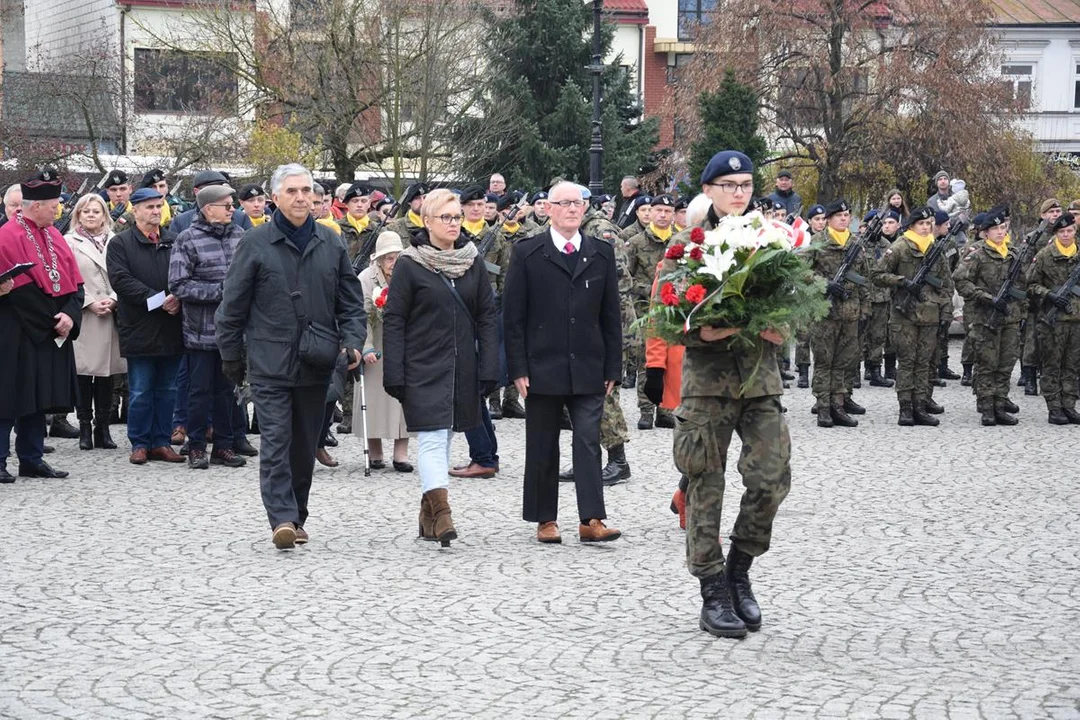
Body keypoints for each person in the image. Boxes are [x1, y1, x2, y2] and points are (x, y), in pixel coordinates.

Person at [658, 150, 791, 639]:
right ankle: (712, 588)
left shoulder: (771, 241)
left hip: (760, 381)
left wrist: (783, 328)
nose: (740, 192)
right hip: (708, 388)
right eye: (729, 184)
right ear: (708, 190)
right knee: (704, 485)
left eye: (747, 184)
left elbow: (797, 301)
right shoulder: (685, 245)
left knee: (772, 477)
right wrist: (702, 334)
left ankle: (740, 569)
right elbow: (666, 316)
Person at [216, 164, 366, 550]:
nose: (301, 198)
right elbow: (232, 303)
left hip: (316, 361)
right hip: (270, 361)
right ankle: (281, 517)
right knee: (277, 439)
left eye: (307, 192)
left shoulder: (330, 243)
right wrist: (231, 355)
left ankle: (297, 513)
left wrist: (352, 340)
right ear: (275, 198)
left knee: (303, 445)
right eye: (293, 191)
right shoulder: (256, 243)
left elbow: (350, 302)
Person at [503, 181, 623, 545]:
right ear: (549, 209)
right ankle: (545, 518)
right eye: (564, 203)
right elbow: (514, 317)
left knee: (588, 440)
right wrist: (518, 368)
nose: (572, 209)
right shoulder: (527, 252)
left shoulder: (600, 252)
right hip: (542, 364)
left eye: (578, 203)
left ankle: (591, 518)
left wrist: (613, 368)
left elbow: (610, 315)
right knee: (542, 442)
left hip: (588, 363)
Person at [382, 188, 498, 546]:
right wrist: (394, 372)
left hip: (462, 365)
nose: (453, 224)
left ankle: (427, 515)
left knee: (445, 436)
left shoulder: (471, 260)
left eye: (457, 217)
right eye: (445, 217)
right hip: (422, 364)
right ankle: (444, 514)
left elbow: (487, 316)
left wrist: (490, 366)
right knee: (432, 438)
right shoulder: (409, 263)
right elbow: (394, 320)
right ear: (427, 221)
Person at [0, 170, 85, 482]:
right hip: (17, 330)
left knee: (39, 398)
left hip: (51, 329)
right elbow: (19, 291)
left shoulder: (55, 236)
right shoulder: (7, 235)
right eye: (54, 205)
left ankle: (32, 458)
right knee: (9, 397)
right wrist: (52, 323)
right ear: (35, 206)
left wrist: (70, 316)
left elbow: (76, 284)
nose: (58, 210)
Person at [169, 184, 248, 470]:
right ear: (207, 208)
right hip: (200, 331)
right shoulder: (187, 239)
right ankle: (197, 446)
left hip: (233, 332)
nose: (232, 210)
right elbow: (178, 284)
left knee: (228, 391)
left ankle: (224, 446)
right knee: (199, 391)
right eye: (226, 205)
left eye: (232, 205)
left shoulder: (241, 236)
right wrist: (222, 291)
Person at [107, 188, 186, 465]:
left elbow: (185, 273)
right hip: (139, 326)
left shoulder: (174, 241)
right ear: (135, 209)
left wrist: (178, 297)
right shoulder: (120, 243)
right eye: (150, 206)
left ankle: (161, 442)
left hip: (171, 326)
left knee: (168, 390)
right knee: (140, 390)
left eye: (159, 206)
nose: (155, 211)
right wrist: (157, 300)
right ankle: (139, 443)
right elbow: (121, 280)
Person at [873, 206, 952, 426]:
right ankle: (905, 408)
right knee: (907, 363)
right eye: (921, 224)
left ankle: (920, 406)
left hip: (930, 315)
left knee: (924, 363)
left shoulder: (935, 249)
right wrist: (902, 282)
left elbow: (946, 283)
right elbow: (877, 275)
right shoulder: (899, 247)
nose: (926, 228)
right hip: (904, 315)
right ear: (911, 226)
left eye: (929, 224)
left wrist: (946, 311)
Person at [64, 193, 125, 451]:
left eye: (96, 211)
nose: (91, 215)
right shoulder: (69, 242)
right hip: (85, 313)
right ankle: (85, 427)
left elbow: (124, 274)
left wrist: (113, 299)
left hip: (111, 312)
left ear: (104, 215)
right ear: (78, 214)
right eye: (86, 211)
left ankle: (103, 428)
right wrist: (88, 301)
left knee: (106, 375)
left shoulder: (117, 241)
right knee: (83, 373)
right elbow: (69, 277)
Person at [952, 208, 1024, 426]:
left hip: (1010, 317)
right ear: (985, 232)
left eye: (1002, 228)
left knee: (1006, 363)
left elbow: (1023, 282)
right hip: (986, 317)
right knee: (987, 364)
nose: (1000, 232)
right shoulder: (977, 254)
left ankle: (1000, 404)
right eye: (994, 229)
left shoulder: (1013, 253)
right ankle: (986, 407)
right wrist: (985, 297)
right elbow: (961, 280)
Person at [805, 200, 870, 427]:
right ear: (829, 218)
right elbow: (801, 272)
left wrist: (865, 311)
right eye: (839, 215)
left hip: (850, 313)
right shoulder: (817, 242)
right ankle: (823, 407)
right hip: (825, 312)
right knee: (824, 361)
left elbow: (864, 279)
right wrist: (825, 284)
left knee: (843, 362)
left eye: (847, 215)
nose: (844, 218)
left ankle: (838, 405)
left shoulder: (856, 243)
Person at [355, 231, 411, 470]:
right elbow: (362, 316)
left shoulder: (408, 274)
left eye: (398, 256)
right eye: (389, 257)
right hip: (375, 341)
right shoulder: (366, 278)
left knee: (403, 398)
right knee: (374, 396)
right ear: (378, 259)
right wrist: (365, 347)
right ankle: (375, 450)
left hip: (403, 341)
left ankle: (401, 453)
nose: (394, 262)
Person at [626, 194, 677, 430]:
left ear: (674, 215)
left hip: (675, 310)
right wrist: (650, 290)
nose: (663, 215)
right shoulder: (636, 242)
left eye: (668, 211)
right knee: (647, 360)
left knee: (672, 357)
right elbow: (626, 277)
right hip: (644, 309)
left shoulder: (681, 241)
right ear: (650, 213)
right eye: (659, 211)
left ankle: (666, 409)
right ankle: (646, 409)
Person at [1025, 212, 1080, 424]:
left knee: (1072, 365)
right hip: (1053, 321)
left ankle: (1069, 404)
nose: (1067, 235)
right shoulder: (1045, 255)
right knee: (1052, 364)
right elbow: (1030, 285)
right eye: (1062, 231)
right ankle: (1054, 407)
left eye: (1070, 231)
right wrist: (1049, 295)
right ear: (1056, 233)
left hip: (1076, 319)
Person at [1018, 199, 1064, 396]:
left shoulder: (1066, 236)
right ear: (1043, 215)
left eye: (1058, 211)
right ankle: (1029, 377)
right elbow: (1023, 267)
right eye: (1051, 211)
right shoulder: (1034, 238)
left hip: (1060, 295)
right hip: (1038, 295)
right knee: (1032, 339)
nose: (1055, 214)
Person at [863, 209, 897, 389]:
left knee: (878, 336)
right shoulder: (859, 244)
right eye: (874, 224)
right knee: (858, 337)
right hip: (864, 296)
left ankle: (875, 370)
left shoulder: (887, 245)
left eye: (883, 224)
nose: (880, 227)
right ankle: (852, 372)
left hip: (882, 297)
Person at [794, 203, 827, 388]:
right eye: (817, 219)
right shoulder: (805, 241)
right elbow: (801, 269)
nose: (820, 223)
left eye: (823, 219)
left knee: (823, 336)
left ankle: (821, 374)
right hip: (806, 293)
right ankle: (803, 372)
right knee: (803, 335)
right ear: (810, 221)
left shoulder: (830, 240)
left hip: (825, 294)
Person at [170, 171, 253, 236]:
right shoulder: (180, 222)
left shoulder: (240, 218)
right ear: (196, 191)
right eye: (211, 189)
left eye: (220, 189)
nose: (218, 193)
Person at [337, 182, 375, 265]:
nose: (359, 205)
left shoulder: (378, 230)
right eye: (355, 201)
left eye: (364, 201)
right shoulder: (336, 228)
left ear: (369, 204)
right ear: (346, 204)